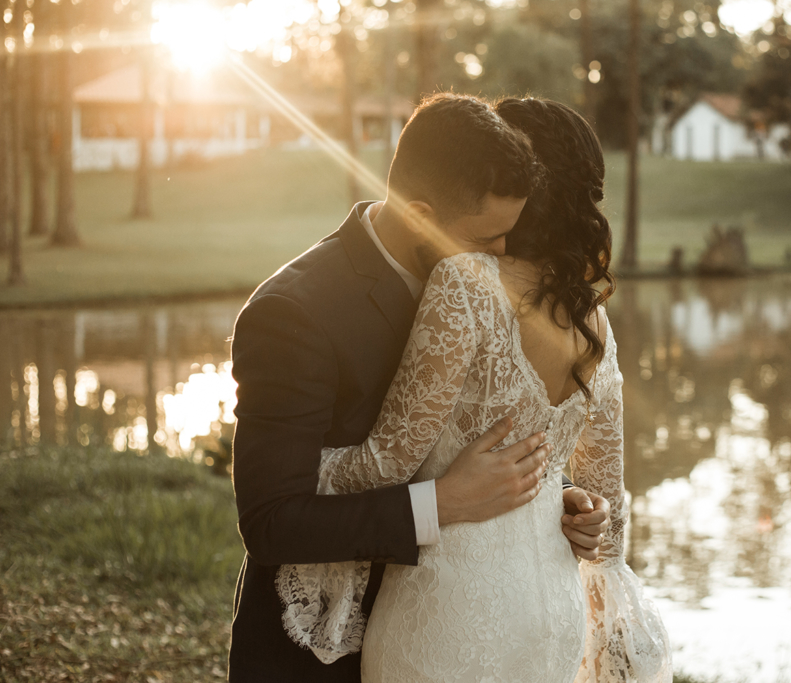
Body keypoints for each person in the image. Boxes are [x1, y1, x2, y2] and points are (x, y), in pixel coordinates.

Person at [278, 98, 672, 682]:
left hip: (452, 611)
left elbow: (390, 460)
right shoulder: (592, 318)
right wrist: (576, 504)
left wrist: (299, 477)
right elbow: (605, 509)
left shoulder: (466, 284)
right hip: (552, 611)